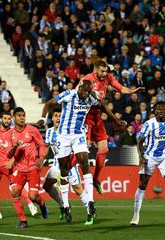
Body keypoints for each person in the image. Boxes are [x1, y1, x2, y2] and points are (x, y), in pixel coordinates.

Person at [38, 80, 126, 225]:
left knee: (84, 163)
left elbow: (102, 107)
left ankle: (90, 202)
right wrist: (42, 118)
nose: (85, 94)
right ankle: (65, 205)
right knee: (64, 170)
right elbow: (49, 103)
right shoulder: (69, 94)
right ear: (79, 89)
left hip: (78, 135)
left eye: (88, 91)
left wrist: (116, 119)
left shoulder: (91, 97)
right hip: (63, 136)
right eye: (84, 91)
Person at [77, 60, 141, 194]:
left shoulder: (108, 78)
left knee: (104, 150)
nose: (105, 73)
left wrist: (132, 91)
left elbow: (120, 88)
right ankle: (63, 173)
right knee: (84, 149)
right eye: (102, 71)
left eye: (106, 71)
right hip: (85, 117)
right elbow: (76, 94)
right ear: (95, 70)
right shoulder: (86, 80)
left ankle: (95, 179)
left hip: (97, 116)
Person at [0, 111, 37, 220]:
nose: (7, 120)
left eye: (9, 118)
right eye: (5, 118)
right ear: (1, 119)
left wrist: (13, 160)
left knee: (14, 187)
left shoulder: (13, 132)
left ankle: (30, 204)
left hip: (8, 164)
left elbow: (19, 149)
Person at [43, 108, 89, 222]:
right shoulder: (49, 132)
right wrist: (41, 159)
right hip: (56, 165)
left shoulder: (69, 130)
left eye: (60, 115)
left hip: (69, 165)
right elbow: (46, 147)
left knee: (78, 189)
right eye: (55, 115)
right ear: (52, 118)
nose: (58, 117)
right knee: (46, 186)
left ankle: (90, 209)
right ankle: (63, 205)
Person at [7, 107, 48, 229]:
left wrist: (41, 157)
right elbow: (8, 155)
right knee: (15, 192)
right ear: (14, 117)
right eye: (19, 115)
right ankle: (23, 221)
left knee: (33, 197)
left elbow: (42, 144)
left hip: (32, 168)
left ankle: (42, 203)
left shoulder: (32, 130)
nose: (22, 118)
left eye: (23, 115)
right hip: (19, 169)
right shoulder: (10, 134)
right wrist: (14, 148)